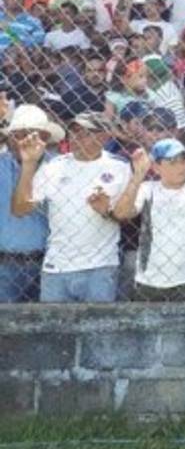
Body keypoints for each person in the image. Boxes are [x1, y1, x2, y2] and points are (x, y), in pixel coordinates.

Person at [12, 112, 131, 303]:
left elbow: (126, 216)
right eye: (74, 131)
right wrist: (29, 163)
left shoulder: (120, 167)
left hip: (100, 267)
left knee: (98, 323)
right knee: (52, 322)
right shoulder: (53, 166)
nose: (77, 137)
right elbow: (20, 209)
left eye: (86, 133)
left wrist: (107, 211)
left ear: (104, 136)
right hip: (56, 266)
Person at [111, 139, 185, 301]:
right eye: (173, 162)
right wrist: (138, 175)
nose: (181, 167)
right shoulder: (147, 189)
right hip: (149, 277)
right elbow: (121, 213)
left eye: (184, 160)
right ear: (156, 167)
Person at [0, 105, 58, 302]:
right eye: (19, 135)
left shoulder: (58, 167)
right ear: (9, 138)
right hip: (4, 264)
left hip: (48, 264)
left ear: (45, 138)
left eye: (33, 135)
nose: (26, 141)